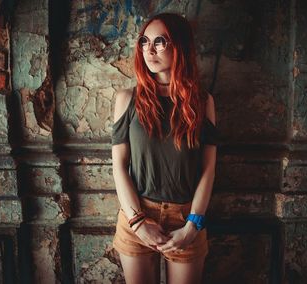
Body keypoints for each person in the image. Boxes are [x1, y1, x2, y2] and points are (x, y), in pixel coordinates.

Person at [111, 13, 218, 284]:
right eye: (144, 41)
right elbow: (119, 166)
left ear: (179, 46)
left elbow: (208, 168)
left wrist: (194, 224)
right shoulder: (127, 99)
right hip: (137, 212)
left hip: (186, 217)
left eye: (160, 41)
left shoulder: (202, 102)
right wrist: (137, 222)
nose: (149, 49)